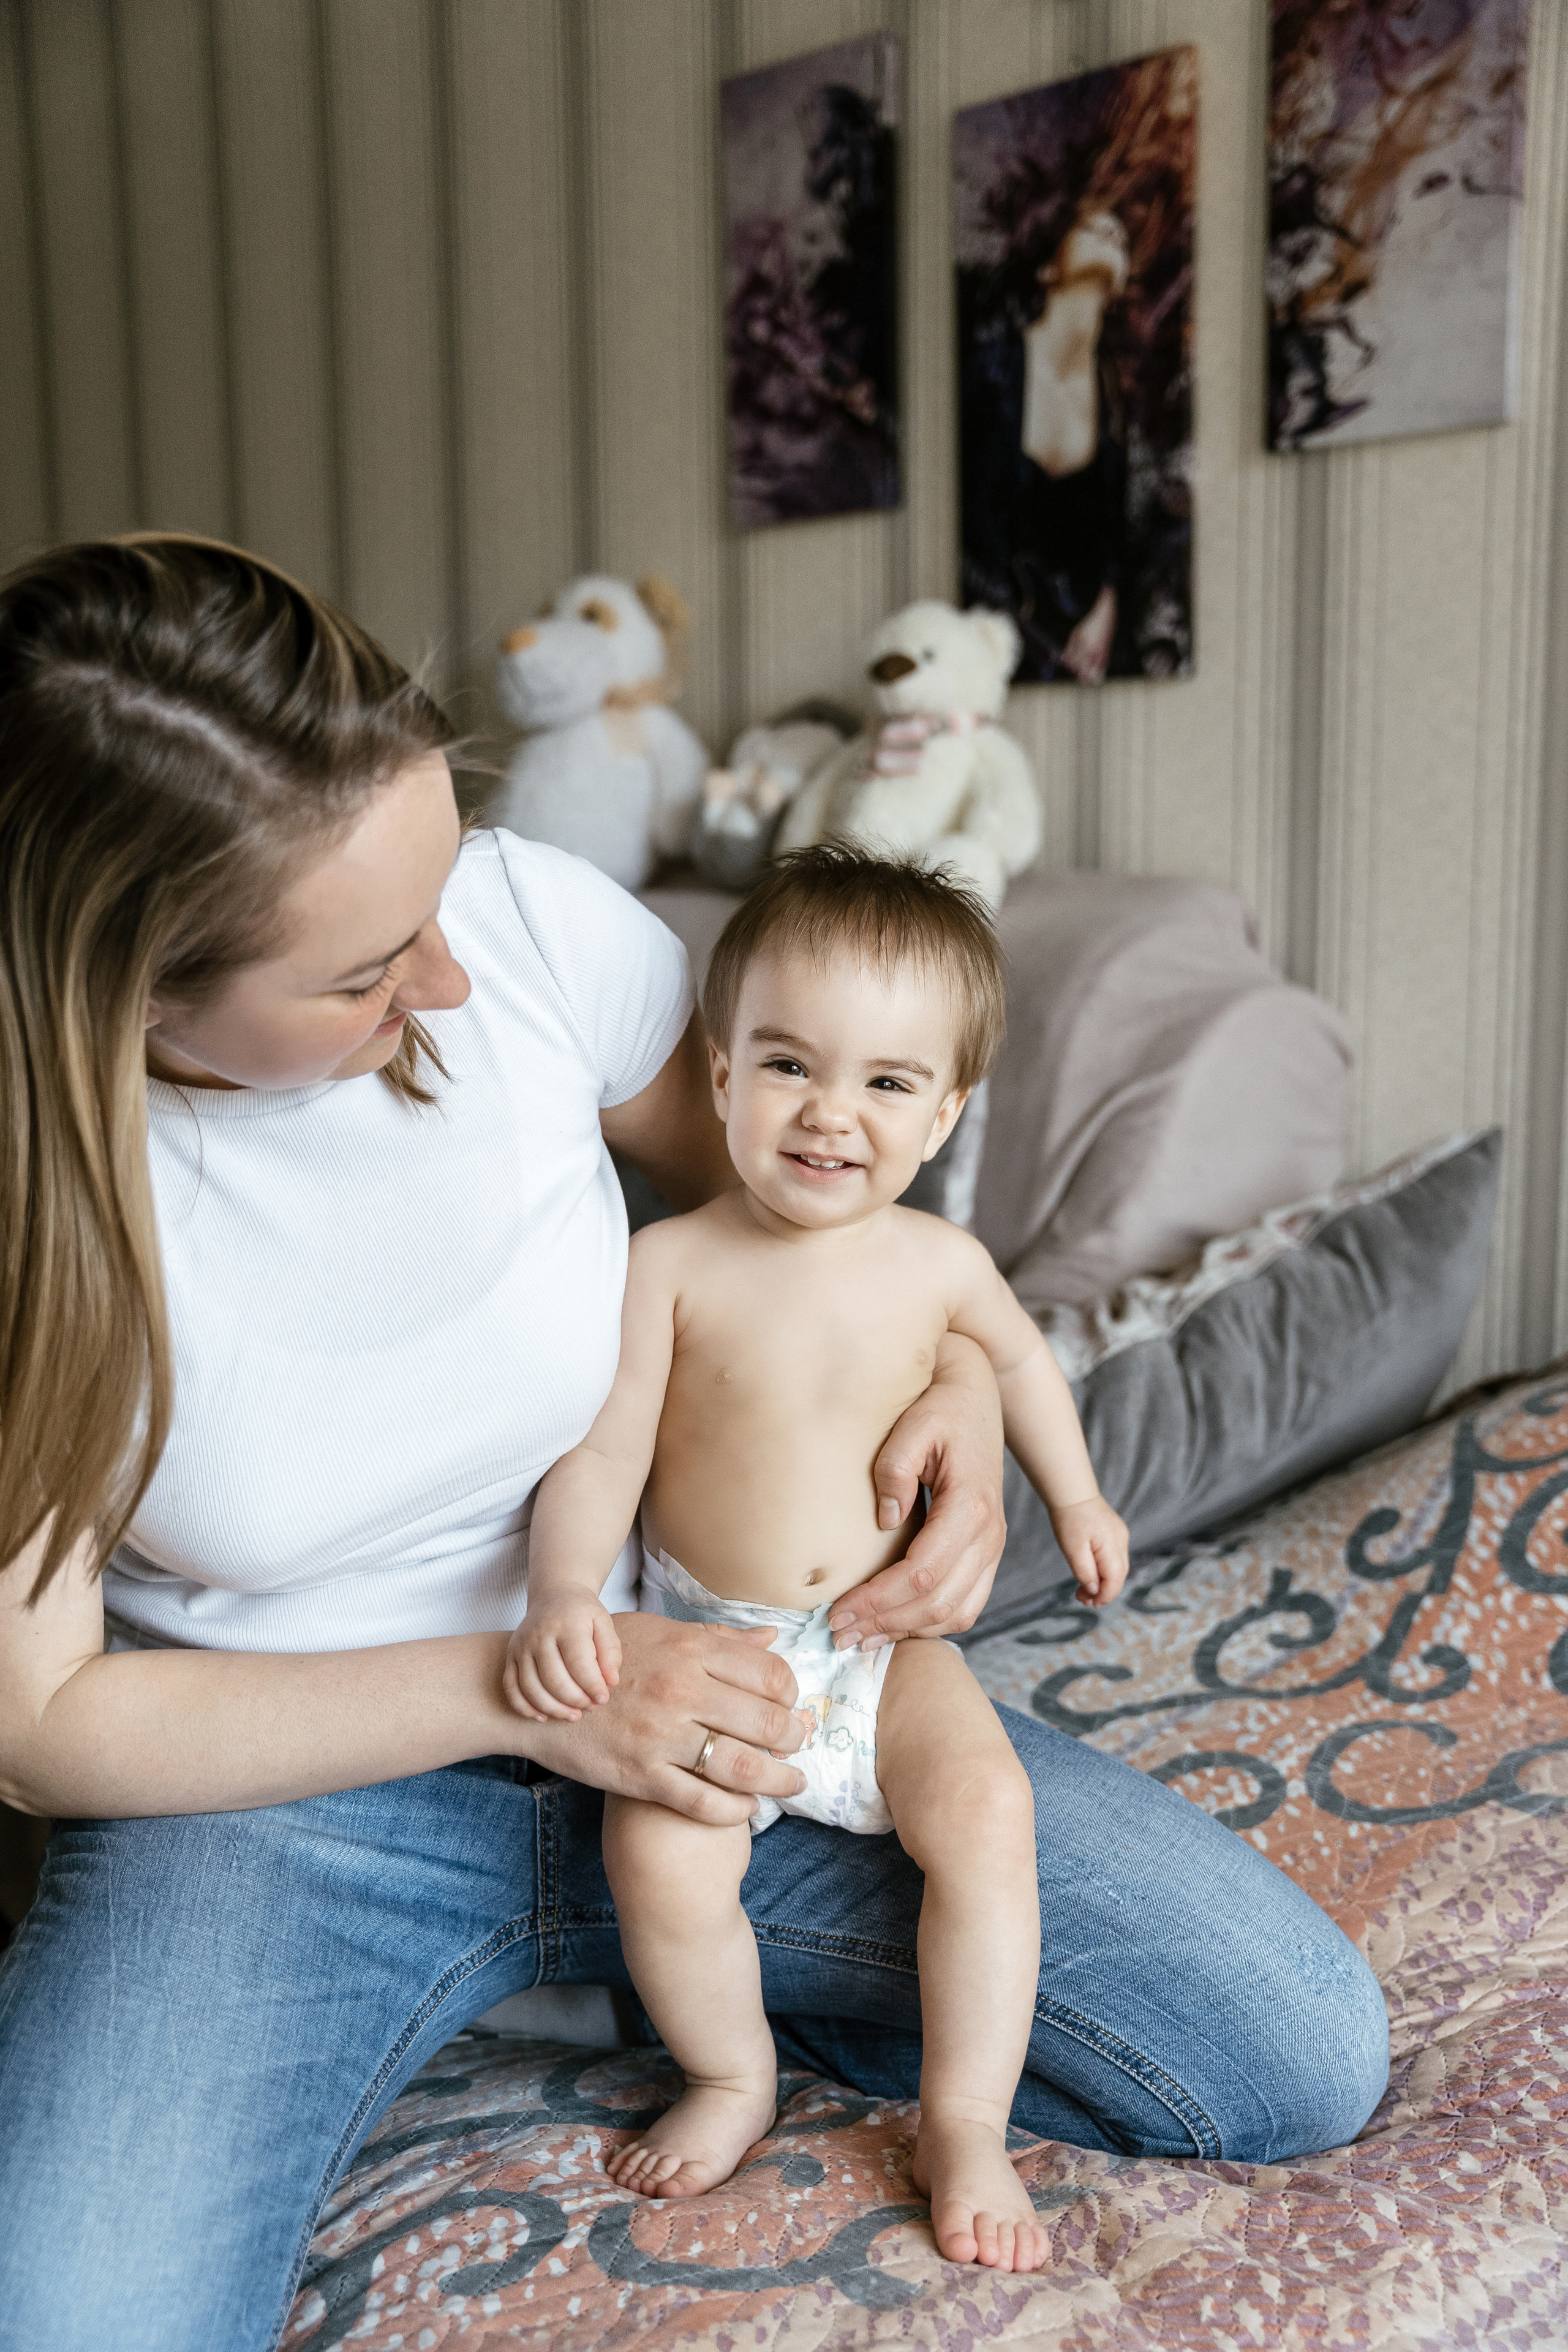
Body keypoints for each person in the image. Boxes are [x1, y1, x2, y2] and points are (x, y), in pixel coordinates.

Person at [0, 536, 1389, 2352]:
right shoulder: (42, 1218)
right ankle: (576, 1989)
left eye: (441, 887)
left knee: (1288, 2057)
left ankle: (647, 1989)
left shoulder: (519, 930)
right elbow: (42, 1730)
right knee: (65, 2317)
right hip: (281, 1819)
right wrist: (536, 1691)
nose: (446, 982)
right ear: (131, 990)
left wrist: (957, 1388)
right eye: (358, 971)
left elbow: (809, 1219)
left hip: (728, 1697)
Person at [506, 851, 1130, 2272]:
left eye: (887, 1084)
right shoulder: (666, 1262)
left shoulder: (941, 1263)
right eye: (789, 1064)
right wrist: (560, 1593)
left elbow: (1025, 1367)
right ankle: (734, 2074)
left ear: (947, 1109)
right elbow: (598, 1458)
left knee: (985, 1815)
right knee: (659, 1864)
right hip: (710, 1647)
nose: (829, 1114)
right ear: (719, 1075)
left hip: (880, 1653)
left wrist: (1078, 1498)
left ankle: (960, 2116)